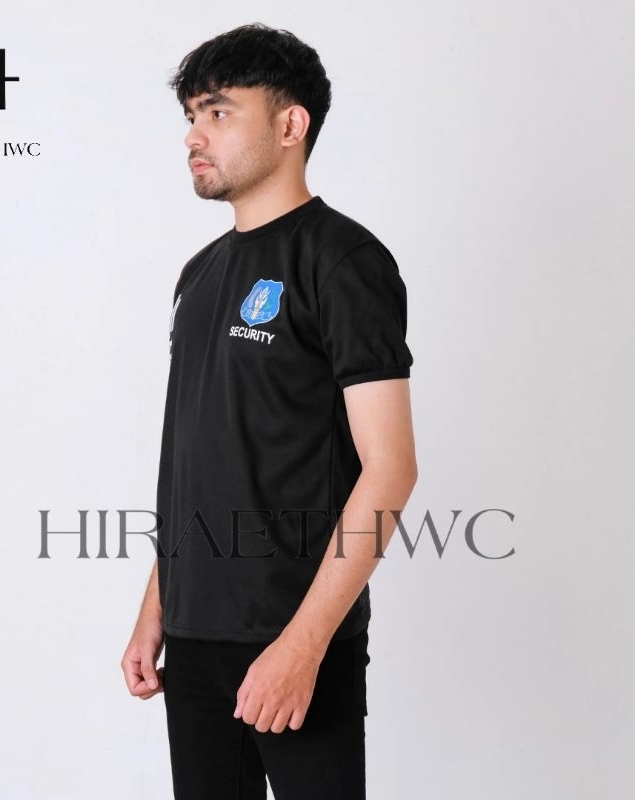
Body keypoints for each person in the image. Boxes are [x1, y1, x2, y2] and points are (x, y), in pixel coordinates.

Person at [121, 22, 418, 800]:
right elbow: (200, 458)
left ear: (291, 125)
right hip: (194, 640)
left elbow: (390, 470)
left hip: (292, 638)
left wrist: (303, 646)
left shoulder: (343, 262)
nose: (194, 135)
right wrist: (157, 609)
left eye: (219, 111)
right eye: (192, 114)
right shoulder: (199, 274)